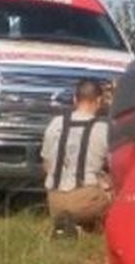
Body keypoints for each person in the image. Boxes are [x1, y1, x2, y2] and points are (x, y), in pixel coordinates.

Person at [41, 79, 112, 236]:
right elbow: (117, 168)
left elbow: (46, 165)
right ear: (99, 100)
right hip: (86, 201)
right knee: (114, 188)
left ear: (75, 99)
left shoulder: (55, 123)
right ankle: (91, 228)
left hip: (55, 202)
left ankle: (70, 227)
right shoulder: (104, 128)